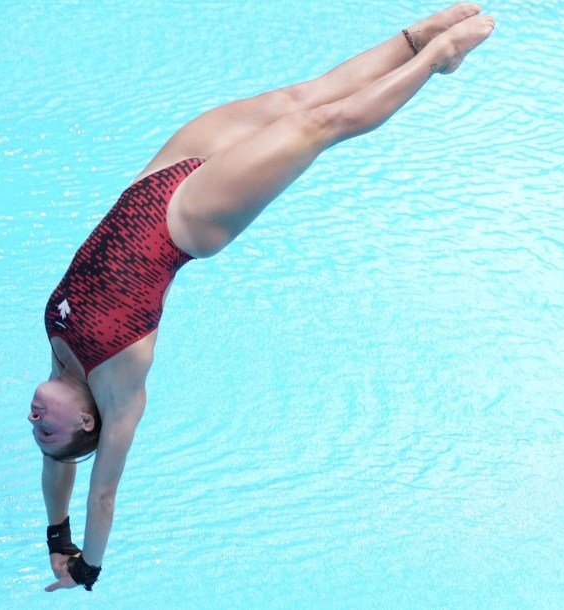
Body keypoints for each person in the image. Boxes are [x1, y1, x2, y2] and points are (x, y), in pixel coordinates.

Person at [28, 3, 495, 592]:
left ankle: (413, 38)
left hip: (156, 179)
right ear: (89, 420)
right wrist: (87, 566)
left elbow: (58, 468)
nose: (34, 418)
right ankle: (437, 57)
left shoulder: (61, 354)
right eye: (46, 428)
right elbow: (103, 491)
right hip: (188, 221)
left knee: (296, 99)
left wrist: (54, 536)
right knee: (322, 124)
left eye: (37, 426)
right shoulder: (118, 390)